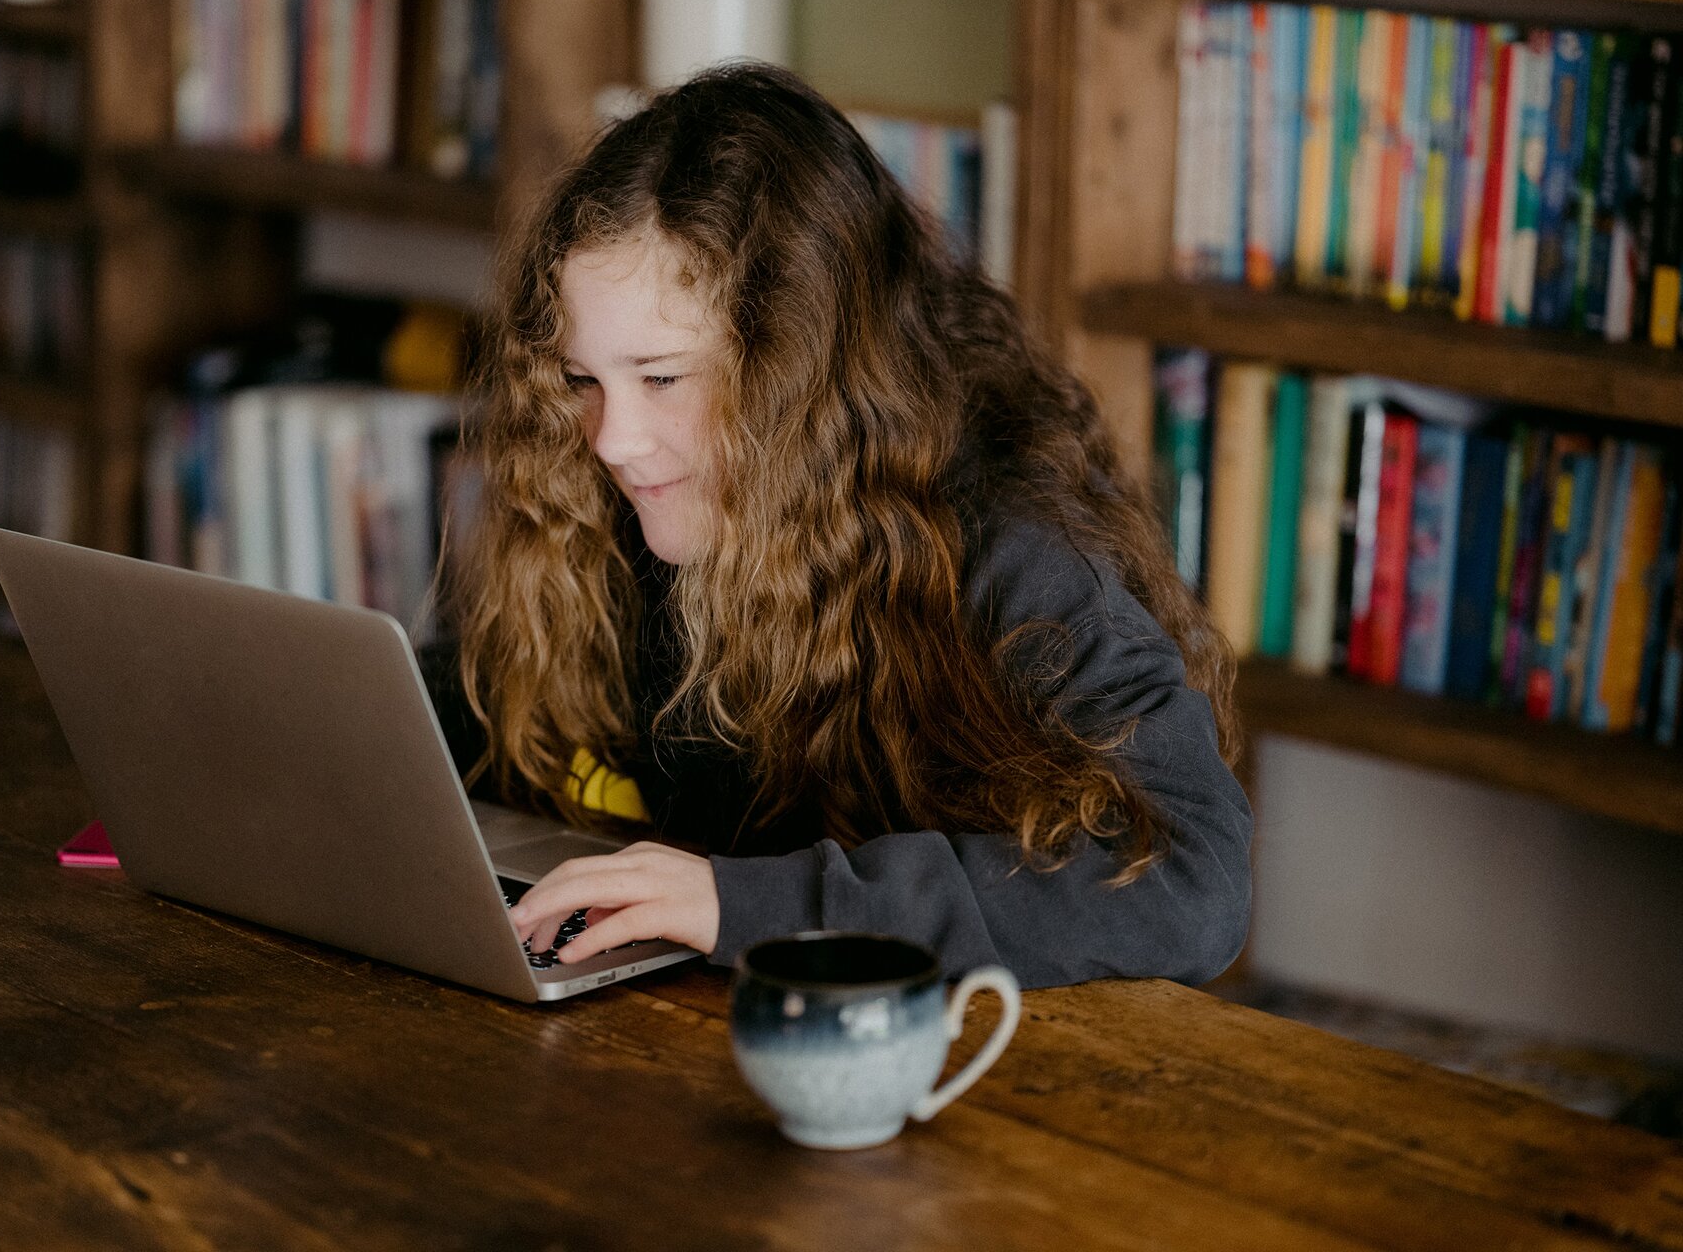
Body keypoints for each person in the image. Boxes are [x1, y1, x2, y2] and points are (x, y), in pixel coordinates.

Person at [416, 61, 1253, 991]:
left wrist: (746, 904)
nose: (614, 441)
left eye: (663, 379)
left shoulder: (1015, 547)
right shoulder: (637, 500)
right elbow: (478, 710)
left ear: (800, 372)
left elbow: (1192, 881)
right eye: (584, 381)